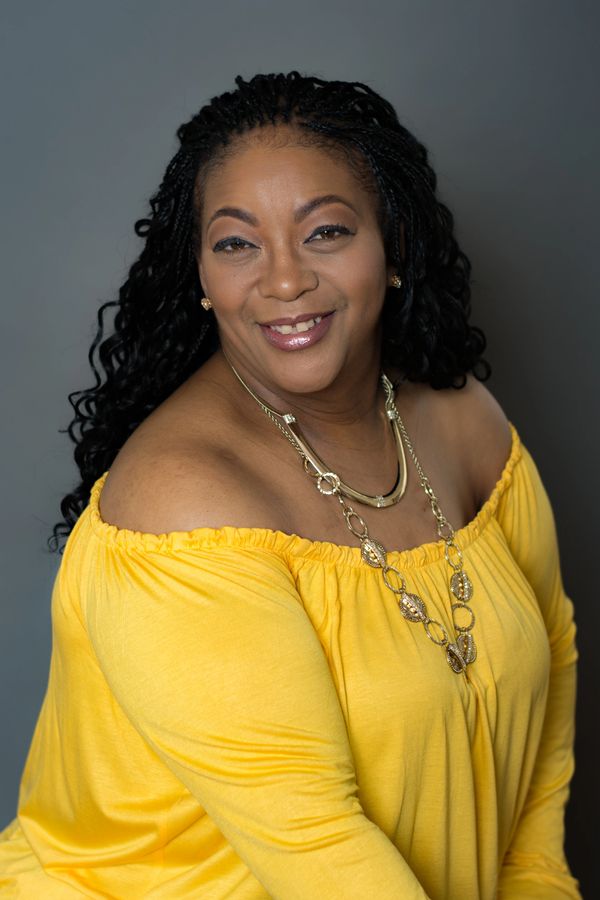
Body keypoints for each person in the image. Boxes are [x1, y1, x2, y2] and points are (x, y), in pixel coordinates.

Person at [0, 72, 579, 898]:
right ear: (200, 273)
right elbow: (316, 848)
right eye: (236, 242)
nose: (282, 281)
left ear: (395, 247)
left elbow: (548, 667)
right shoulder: (181, 501)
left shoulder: (464, 423)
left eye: (326, 232)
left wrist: (538, 884)